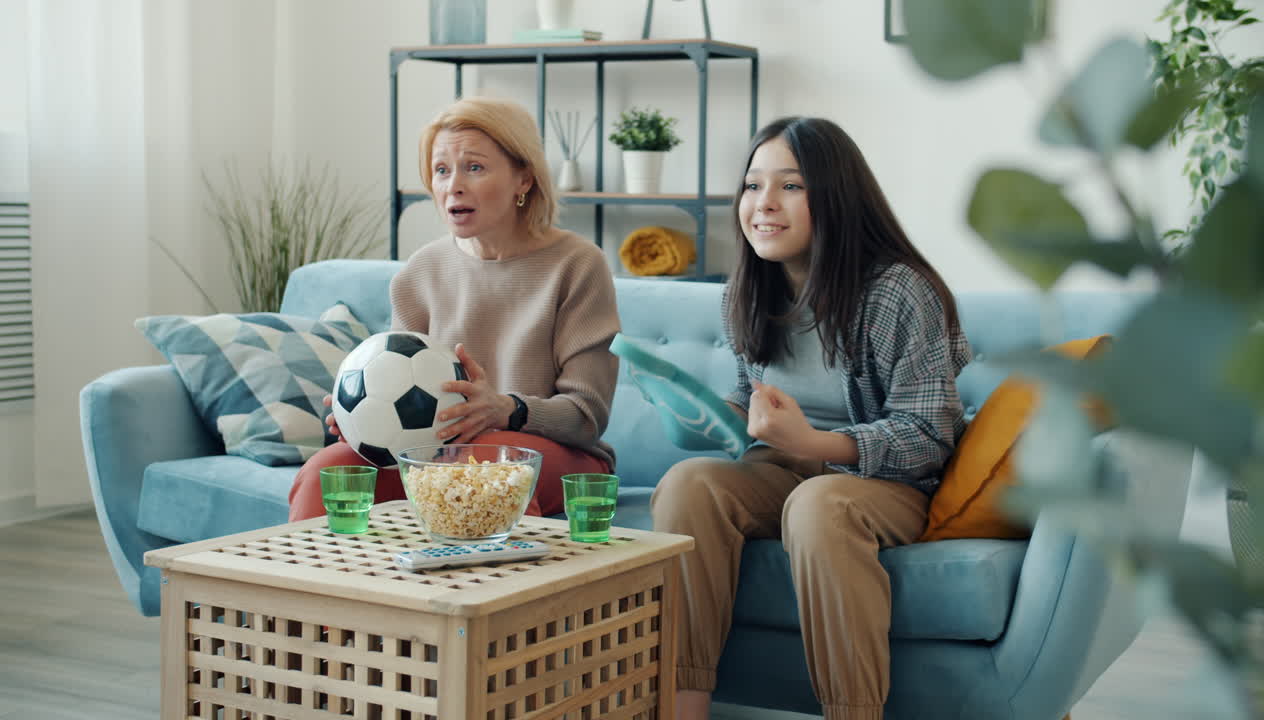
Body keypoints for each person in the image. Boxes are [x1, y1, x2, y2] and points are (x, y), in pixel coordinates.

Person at [650, 117, 971, 720]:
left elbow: (928, 436)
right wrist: (713, 414)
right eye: (752, 185)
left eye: (790, 186)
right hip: (784, 473)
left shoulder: (899, 291)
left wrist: (817, 441)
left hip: (886, 486)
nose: (764, 203)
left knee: (820, 504)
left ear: (836, 197)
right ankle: (682, 708)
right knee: (689, 484)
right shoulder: (746, 291)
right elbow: (750, 398)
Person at [289, 96, 620, 521]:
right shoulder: (419, 272)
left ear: (524, 179)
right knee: (328, 472)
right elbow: (402, 399)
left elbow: (587, 416)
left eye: (474, 167)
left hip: (557, 455)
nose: (453, 186)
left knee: (481, 468)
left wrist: (507, 409)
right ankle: (310, 569)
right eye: (442, 170)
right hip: (436, 455)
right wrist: (363, 422)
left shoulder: (578, 264)